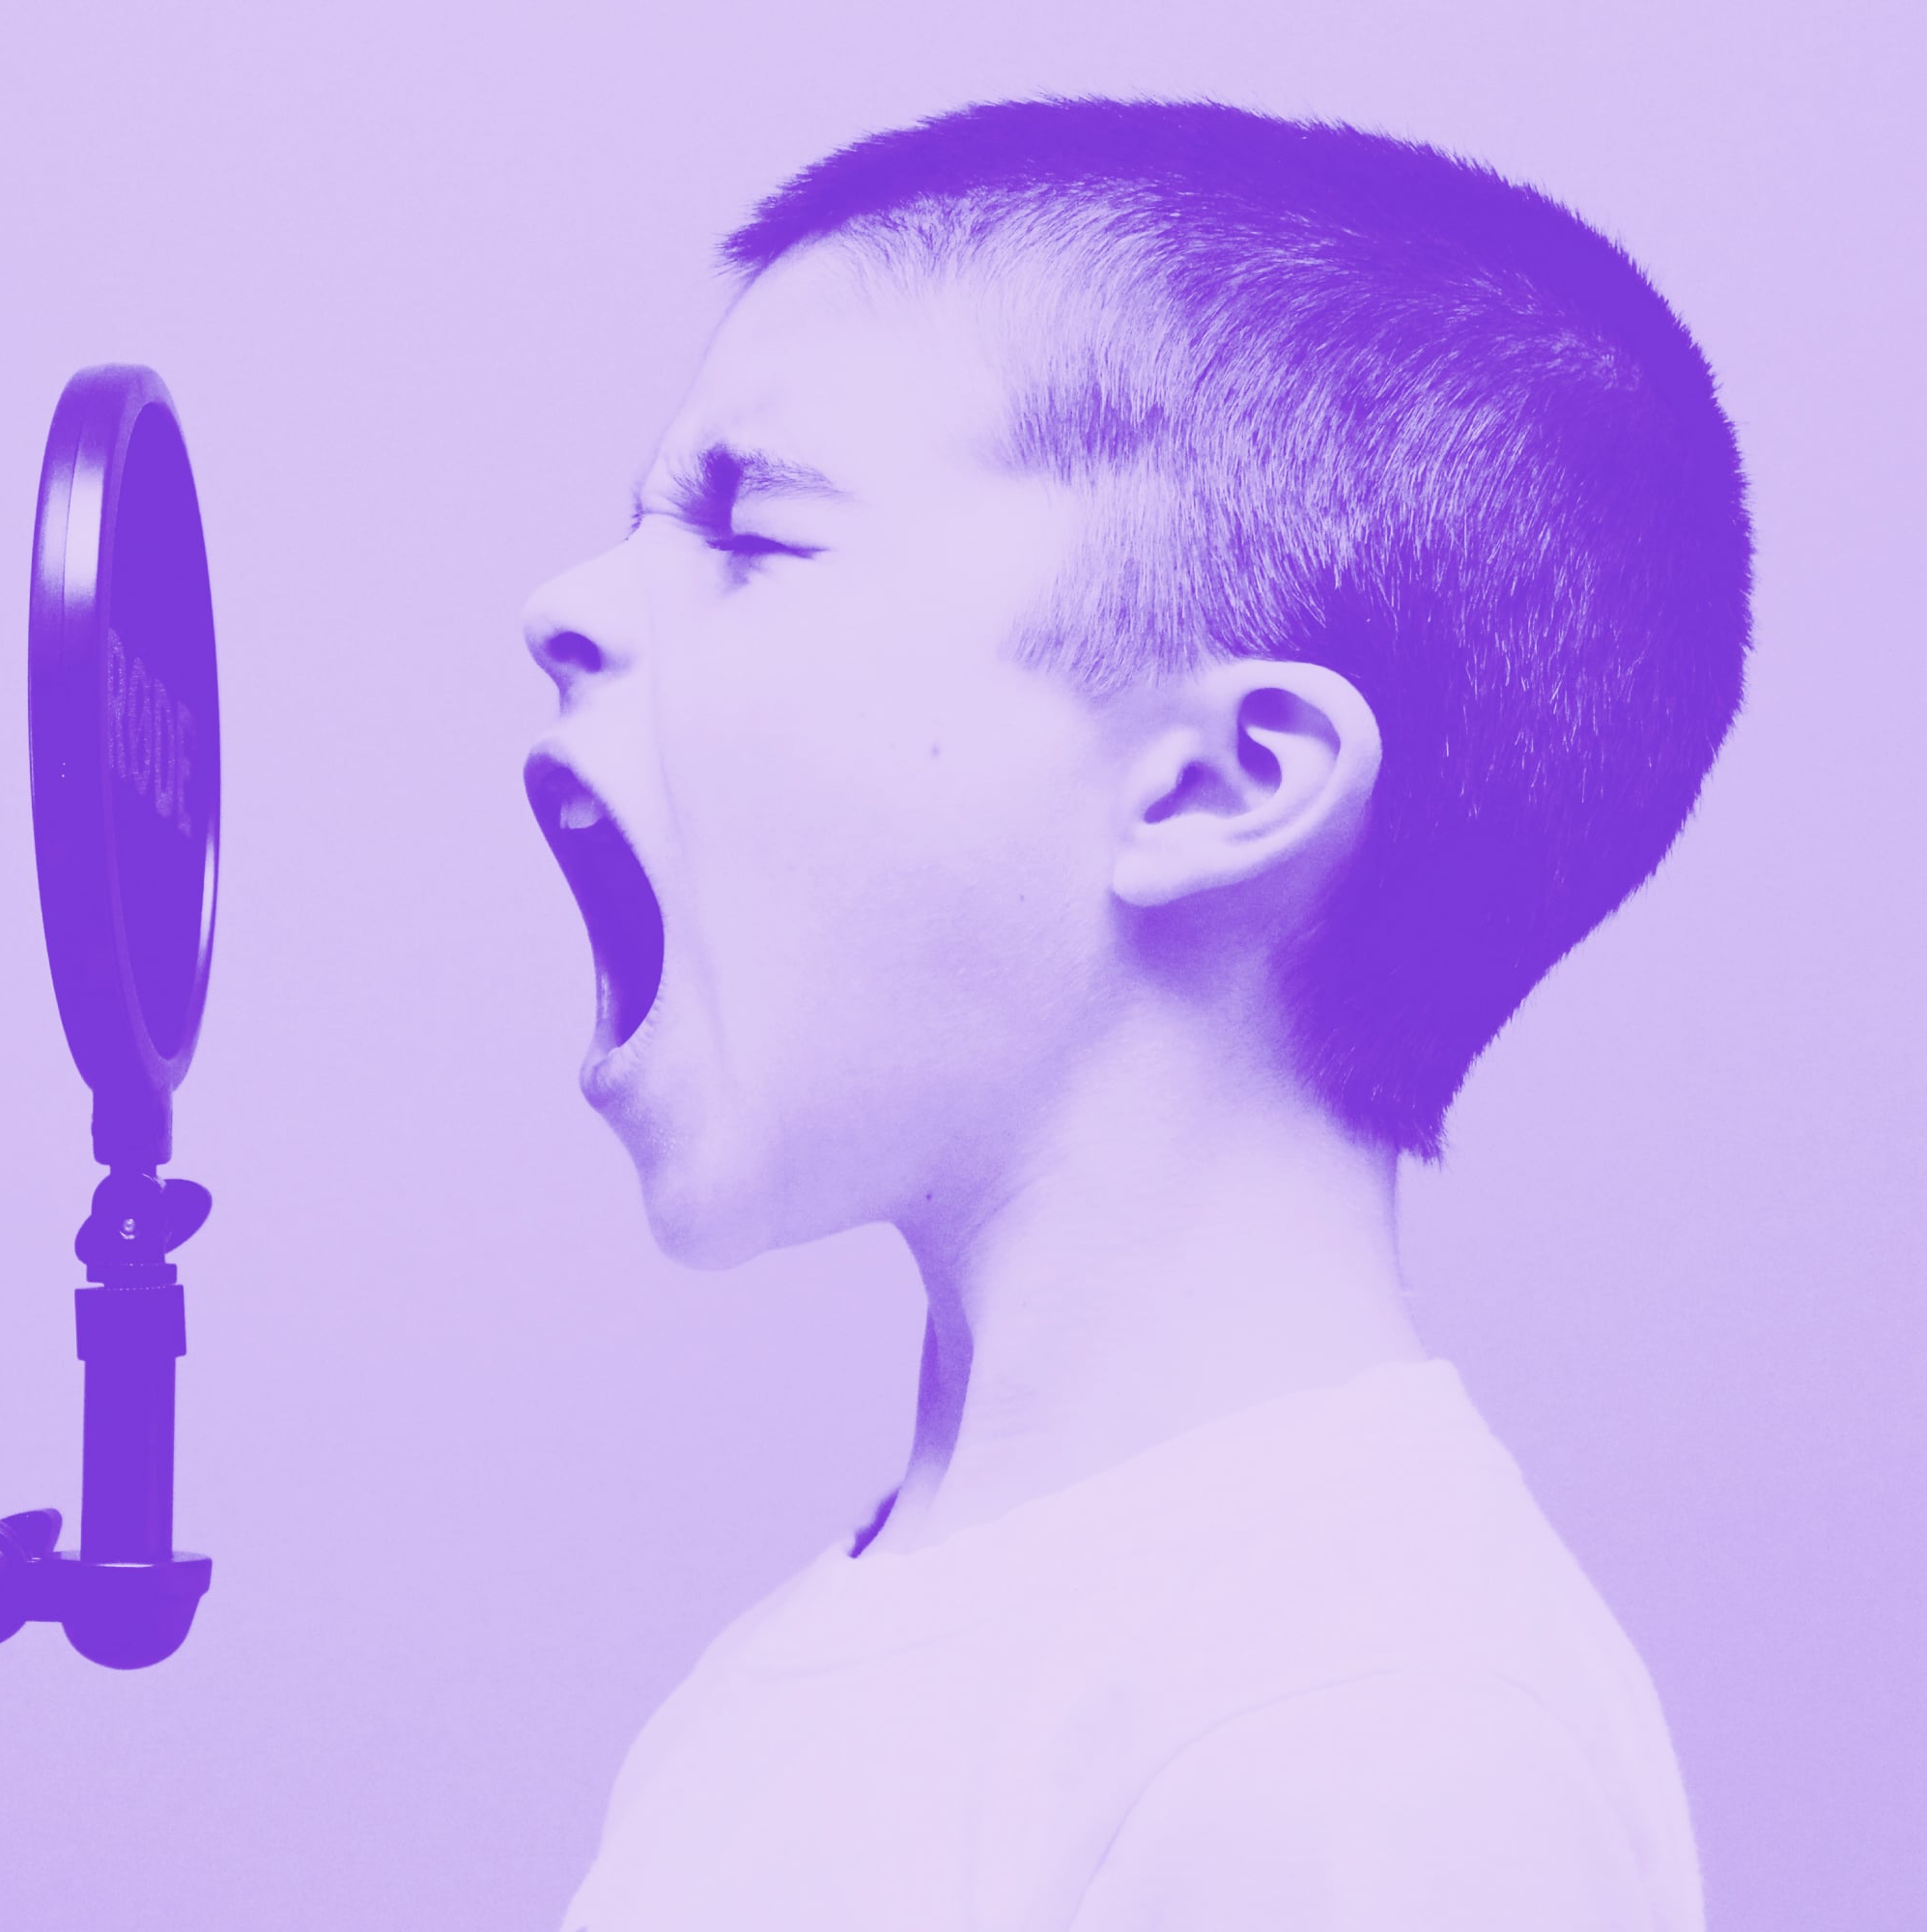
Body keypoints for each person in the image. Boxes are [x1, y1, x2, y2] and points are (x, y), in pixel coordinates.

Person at [520, 97, 1747, 1931]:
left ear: (1219, 781)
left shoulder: (1365, 1738)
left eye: (753, 530)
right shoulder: (852, 1655)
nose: (567, 604)